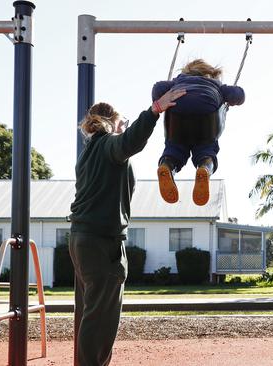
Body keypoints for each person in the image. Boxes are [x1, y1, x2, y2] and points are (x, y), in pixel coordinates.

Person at [68, 88, 186, 366]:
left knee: (89, 312)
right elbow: (128, 144)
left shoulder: (88, 153)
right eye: (124, 122)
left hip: (81, 239)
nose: (125, 127)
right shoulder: (109, 144)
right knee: (101, 319)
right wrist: (155, 110)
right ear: (113, 123)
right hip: (101, 242)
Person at [152, 59, 245, 206]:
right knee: (206, 150)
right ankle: (205, 168)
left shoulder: (177, 83)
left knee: (175, 148)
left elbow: (157, 88)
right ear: (211, 73)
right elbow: (239, 94)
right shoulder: (216, 84)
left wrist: (161, 101)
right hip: (206, 112)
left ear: (186, 71)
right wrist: (231, 100)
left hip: (178, 113)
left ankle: (167, 166)